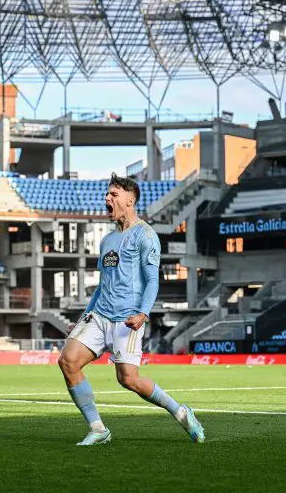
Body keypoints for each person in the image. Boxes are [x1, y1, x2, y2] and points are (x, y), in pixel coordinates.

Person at [57, 173, 205, 446]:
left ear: (130, 200)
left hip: (128, 319)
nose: (107, 199)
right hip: (100, 314)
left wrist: (143, 314)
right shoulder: (107, 241)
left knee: (129, 379)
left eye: (113, 195)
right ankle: (98, 428)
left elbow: (152, 280)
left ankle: (180, 411)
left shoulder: (145, 235)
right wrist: (82, 320)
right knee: (68, 360)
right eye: (107, 194)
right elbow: (102, 285)